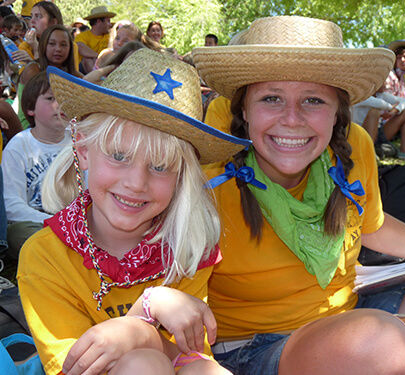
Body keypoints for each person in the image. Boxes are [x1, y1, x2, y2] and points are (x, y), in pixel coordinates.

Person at [190, 15, 405, 374]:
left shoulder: (354, 145)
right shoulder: (210, 177)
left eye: (313, 100)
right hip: (256, 345)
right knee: (386, 349)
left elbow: (373, 225)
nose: (292, 119)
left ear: (338, 111)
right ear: (243, 108)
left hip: (349, 312)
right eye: (271, 98)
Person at [17, 48, 249, 375]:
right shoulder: (43, 257)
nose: (136, 183)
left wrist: (138, 330)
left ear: (181, 178)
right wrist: (145, 317)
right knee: (143, 364)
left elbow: (193, 359)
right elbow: (78, 366)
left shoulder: (187, 247)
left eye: (159, 166)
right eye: (119, 156)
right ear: (83, 152)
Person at [3, 71, 69, 261]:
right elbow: (12, 204)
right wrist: (53, 222)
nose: (59, 104)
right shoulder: (19, 146)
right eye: (50, 98)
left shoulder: (79, 140)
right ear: (30, 108)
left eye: (64, 98)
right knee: (16, 234)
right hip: (39, 223)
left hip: (78, 222)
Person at [17, 25, 81, 129]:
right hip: (32, 125)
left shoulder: (72, 74)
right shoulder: (33, 70)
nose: (58, 49)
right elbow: (33, 112)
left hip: (61, 123)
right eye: (52, 44)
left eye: (64, 45)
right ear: (43, 46)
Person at [74, 5, 115, 74]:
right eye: (108, 21)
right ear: (99, 21)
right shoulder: (83, 36)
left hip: (105, 67)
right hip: (83, 72)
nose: (110, 24)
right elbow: (80, 47)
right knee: (87, 59)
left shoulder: (110, 36)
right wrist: (100, 57)